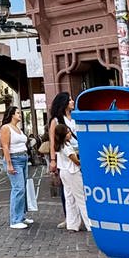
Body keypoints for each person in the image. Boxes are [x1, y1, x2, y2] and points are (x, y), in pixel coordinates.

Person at [0, 106, 33, 229]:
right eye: (18, 113)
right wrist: (9, 164)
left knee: (22, 188)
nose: (20, 115)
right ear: (12, 114)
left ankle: (21, 216)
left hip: (23, 159)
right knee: (18, 189)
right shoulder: (5, 128)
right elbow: (5, 147)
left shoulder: (18, 129)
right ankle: (15, 220)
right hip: (14, 159)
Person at [48, 92, 78, 229]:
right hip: (65, 157)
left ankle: (78, 217)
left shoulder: (76, 117)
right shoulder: (56, 120)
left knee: (78, 187)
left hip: (78, 153)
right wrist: (53, 160)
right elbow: (53, 141)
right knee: (66, 189)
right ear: (64, 103)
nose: (73, 101)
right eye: (70, 99)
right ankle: (69, 217)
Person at [54, 123, 91, 231]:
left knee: (69, 198)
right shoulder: (67, 147)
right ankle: (89, 224)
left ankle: (72, 224)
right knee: (81, 198)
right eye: (68, 132)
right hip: (72, 172)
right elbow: (76, 161)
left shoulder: (60, 146)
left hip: (64, 173)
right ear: (64, 135)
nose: (70, 134)